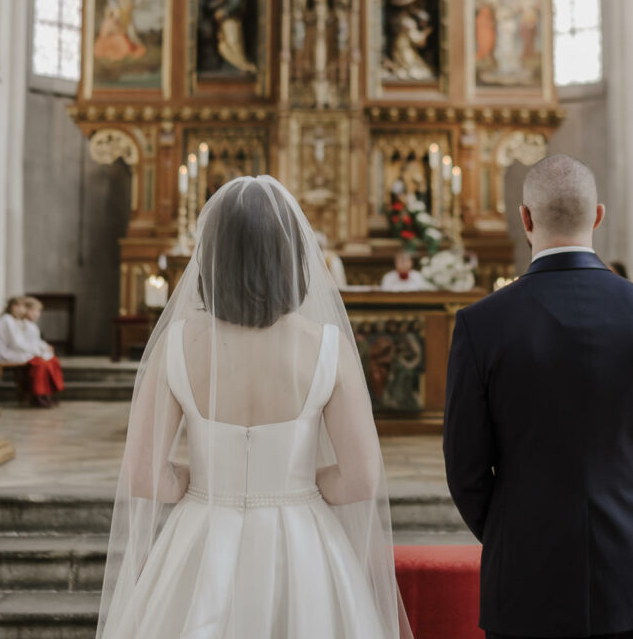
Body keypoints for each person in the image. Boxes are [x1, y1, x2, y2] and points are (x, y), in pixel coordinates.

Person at [97, 176, 411, 639]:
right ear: (292, 255)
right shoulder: (327, 345)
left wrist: (189, 479)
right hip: (302, 539)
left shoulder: (177, 343)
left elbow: (144, 476)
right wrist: (304, 482)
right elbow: (362, 477)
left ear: (211, 256)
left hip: (201, 536)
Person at [443, 154, 633, 639]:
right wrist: (629, 513)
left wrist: (514, 530)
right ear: (598, 215)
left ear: (524, 218)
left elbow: (465, 468)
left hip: (522, 577)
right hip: (630, 574)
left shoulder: (481, 325)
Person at [0, 297, 65, 408]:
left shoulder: (14, 320)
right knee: (38, 362)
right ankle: (37, 396)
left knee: (43, 360)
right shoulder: (7, 320)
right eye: (23, 307)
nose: (25, 310)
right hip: (1, 354)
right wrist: (38, 351)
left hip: (11, 352)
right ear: (15, 307)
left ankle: (43, 395)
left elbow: (26, 342)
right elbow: (16, 343)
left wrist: (42, 349)